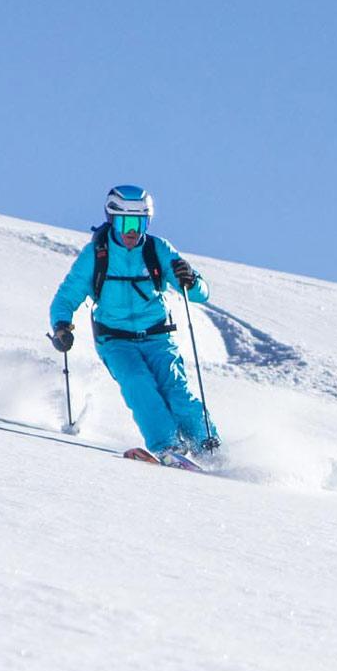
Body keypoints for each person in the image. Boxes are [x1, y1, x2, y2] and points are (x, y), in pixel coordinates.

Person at [48, 185, 217, 465]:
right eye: (126, 222)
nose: (132, 231)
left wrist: (190, 279)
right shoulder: (96, 255)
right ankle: (168, 447)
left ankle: (206, 445)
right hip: (115, 341)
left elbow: (199, 293)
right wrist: (61, 327)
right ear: (112, 220)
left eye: (140, 223)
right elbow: (65, 297)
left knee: (176, 390)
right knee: (138, 384)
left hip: (157, 336)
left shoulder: (157, 249)